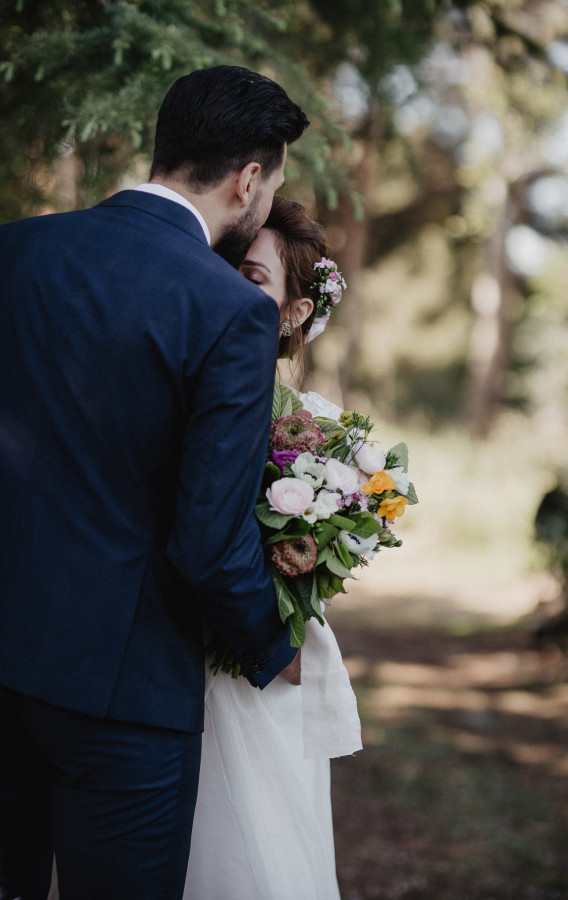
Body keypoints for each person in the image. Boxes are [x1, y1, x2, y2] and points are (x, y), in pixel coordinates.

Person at [0, 66, 308, 900]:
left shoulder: (15, 249)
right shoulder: (228, 310)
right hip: (120, 693)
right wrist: (271, 647)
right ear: (249, 179)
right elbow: (208, 537)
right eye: (272, 180)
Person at [182, 197, 362, 900]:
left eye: (253, 278)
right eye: (228, 266)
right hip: (180, 657)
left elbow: (329, 544)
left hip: (265, 667)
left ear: (292, 313)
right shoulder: (186, 392)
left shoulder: (316, 426)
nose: (229, 285)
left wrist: (303, 563)